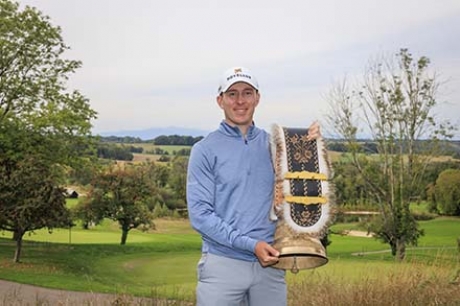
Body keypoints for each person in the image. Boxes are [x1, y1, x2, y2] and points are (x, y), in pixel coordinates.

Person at [186, 66, 320, 306]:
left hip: (270, 266)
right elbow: (201, 216)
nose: (240, 101)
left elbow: (302, 193)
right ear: (220, 100)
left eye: (247, 93)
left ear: (257, 98)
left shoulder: (277, 146)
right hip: (222, 265)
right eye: (232, 94)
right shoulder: (204, 150)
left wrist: (312, 148)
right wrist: (252, 245)